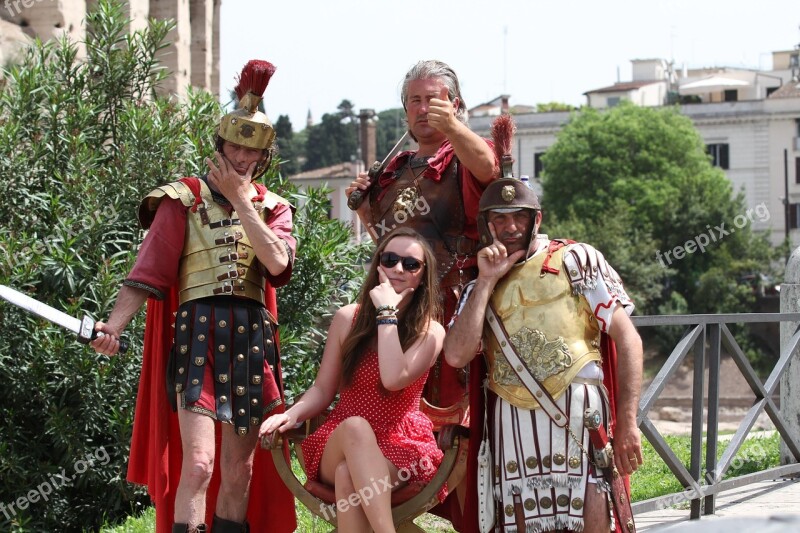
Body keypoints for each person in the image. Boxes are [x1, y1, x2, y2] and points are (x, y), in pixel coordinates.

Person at [90, 60, 297, 533]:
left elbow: (278, 264)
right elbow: (149, 270)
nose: (240, 158)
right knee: (200, 464)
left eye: (251, 152)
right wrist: (114, 326)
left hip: (249, 337)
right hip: (197, 335)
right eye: (233, 146)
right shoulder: (181, 198)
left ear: (262, 159)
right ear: (218, 146)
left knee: (238, 471)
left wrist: (242, 200)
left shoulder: (275, 209)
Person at [346, 60, 499, 530]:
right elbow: (386, 245)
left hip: (454, 312)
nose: (422, 108)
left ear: (454, 104)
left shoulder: (465, 154)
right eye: (414, 100)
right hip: (393, 311)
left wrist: (453, 126)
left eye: (434, 98)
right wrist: (366, 206)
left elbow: (491, 170)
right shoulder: (393, 167)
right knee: (385, 413)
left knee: (460, 426)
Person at [444, 175, 644, 533]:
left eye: (518, 216)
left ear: (536, 218)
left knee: (592, 512)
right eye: (500, 219)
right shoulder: (478, 285)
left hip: (579, 415)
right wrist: (487, 281)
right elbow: (457, 355)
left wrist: (628, 423)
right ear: (487, 225)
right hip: (511, 423)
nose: (509, 227)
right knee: (521, 516)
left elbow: (627, 339)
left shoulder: (577, 259)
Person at [261, 227, 447, 533]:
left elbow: (393, 379)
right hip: (341, 438)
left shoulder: (430, 332)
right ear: (378, 265)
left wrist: (386, 313)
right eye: (390, 259)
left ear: (422, 276)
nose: (398, 269)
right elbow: (323, 389)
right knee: (356, 428)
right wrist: (289, 414)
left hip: (399, 446)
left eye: (411, 264)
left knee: (350, 476)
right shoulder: (348, 318)